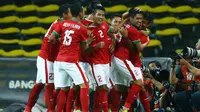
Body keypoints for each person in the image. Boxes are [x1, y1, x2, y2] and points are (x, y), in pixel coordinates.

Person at [24, 4, 71, 112]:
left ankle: (28, 108)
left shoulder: (63, 23)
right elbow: (51, 40)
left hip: (52, 59)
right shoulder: (58, 25)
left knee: (40, 84)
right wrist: (59, 40)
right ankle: (50, 110)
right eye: (70, 13)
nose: (72, 15)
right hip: (46, 58)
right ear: (64, 14)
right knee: (49, 84)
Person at [48, 5, 91, 111]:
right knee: (84, 85)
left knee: (63, 88)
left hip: (59, 60)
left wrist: (60, 41)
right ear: (81, 14)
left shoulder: (62, 24)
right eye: (83, 11)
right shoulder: (82, 28)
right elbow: (84, 48)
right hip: (71, 61)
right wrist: (88, 42)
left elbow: (51, 38)